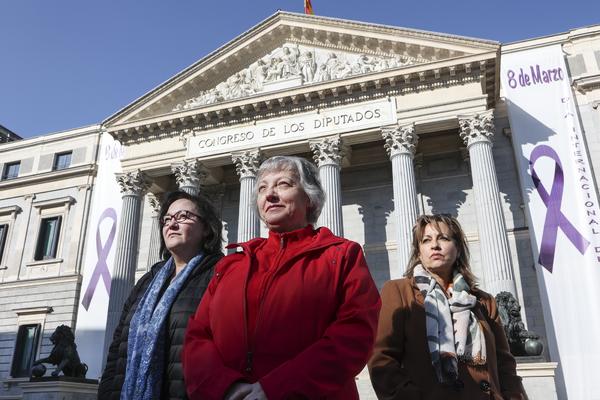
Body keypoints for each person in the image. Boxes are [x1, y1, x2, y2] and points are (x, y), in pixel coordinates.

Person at [183, 155, 381, 400]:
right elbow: (197, 338)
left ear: (309, 198)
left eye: (284, 184)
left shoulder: (341, 255)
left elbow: (354, 335)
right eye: (263, 188)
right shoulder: (231, 264)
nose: (270, 194)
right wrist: (227, 388)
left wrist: (274, 389)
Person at [368, 214, 527, 400]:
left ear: (458, 248)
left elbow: (505, 364)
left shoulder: (483, 302)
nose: (435, 245)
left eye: (443, 238)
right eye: (426, 240)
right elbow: (382, 358)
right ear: (419, 252)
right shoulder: (399, 291)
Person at [98, 191, 224, 400]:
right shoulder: (146, 283)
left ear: (206, 229)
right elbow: (117, 352)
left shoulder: (221, 274)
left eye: (183, 217)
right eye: (167, 219)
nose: (172, 224)